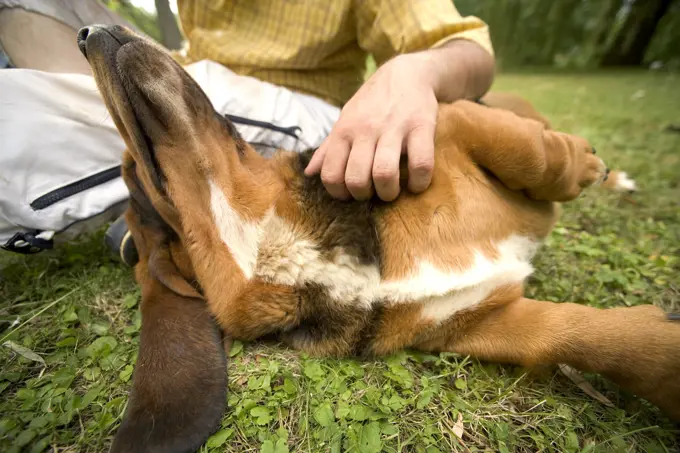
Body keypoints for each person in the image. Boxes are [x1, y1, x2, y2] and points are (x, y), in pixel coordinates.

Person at [0, 0, 494, 260]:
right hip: (197, 73)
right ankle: (149, 186)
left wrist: (410, 73)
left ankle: (148, 185)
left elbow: (469, 50)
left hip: (300, 110)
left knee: (16, 115)